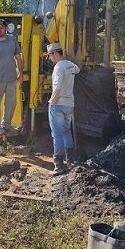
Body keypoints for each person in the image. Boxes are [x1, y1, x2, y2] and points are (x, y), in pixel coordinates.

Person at [47, 42, 80, 175]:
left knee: (57, 134)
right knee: (66, 131)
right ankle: (70, 160)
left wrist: (52, 101)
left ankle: (59, 165)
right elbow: (77, 70)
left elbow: (58, 85)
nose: (50, 59)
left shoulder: (58, 67)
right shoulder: (70, 65)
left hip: (58, 104)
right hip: (69, 104)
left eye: (50, 56)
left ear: (55, 53)